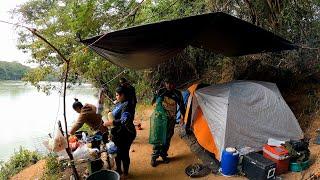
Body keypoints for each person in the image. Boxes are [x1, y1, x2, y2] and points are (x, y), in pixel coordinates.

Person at [150, 78, 186, 167]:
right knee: (158, 135)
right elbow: (153, 102)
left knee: (167, 137)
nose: (169, 86)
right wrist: (157, 98)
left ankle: (163, 155)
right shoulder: (161, 91)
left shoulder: (177, 93)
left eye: (171, 83)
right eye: (167, 83)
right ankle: (154, 156)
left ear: (174, 84)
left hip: (171, 119)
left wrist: (183, 117)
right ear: (164, 83)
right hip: (160, 119)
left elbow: (181, 106)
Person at [104, 86, 136, 177]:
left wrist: (110, 122)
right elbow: (116, 113)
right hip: (119, 133)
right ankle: (118, 170)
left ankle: (125, 173)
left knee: (124, 153)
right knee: (118, 153)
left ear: (123, 95)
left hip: (126, 134)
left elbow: (123, 120)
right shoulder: (120, 103)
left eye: (117, 95)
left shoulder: (127, 106)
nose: (116, 97)